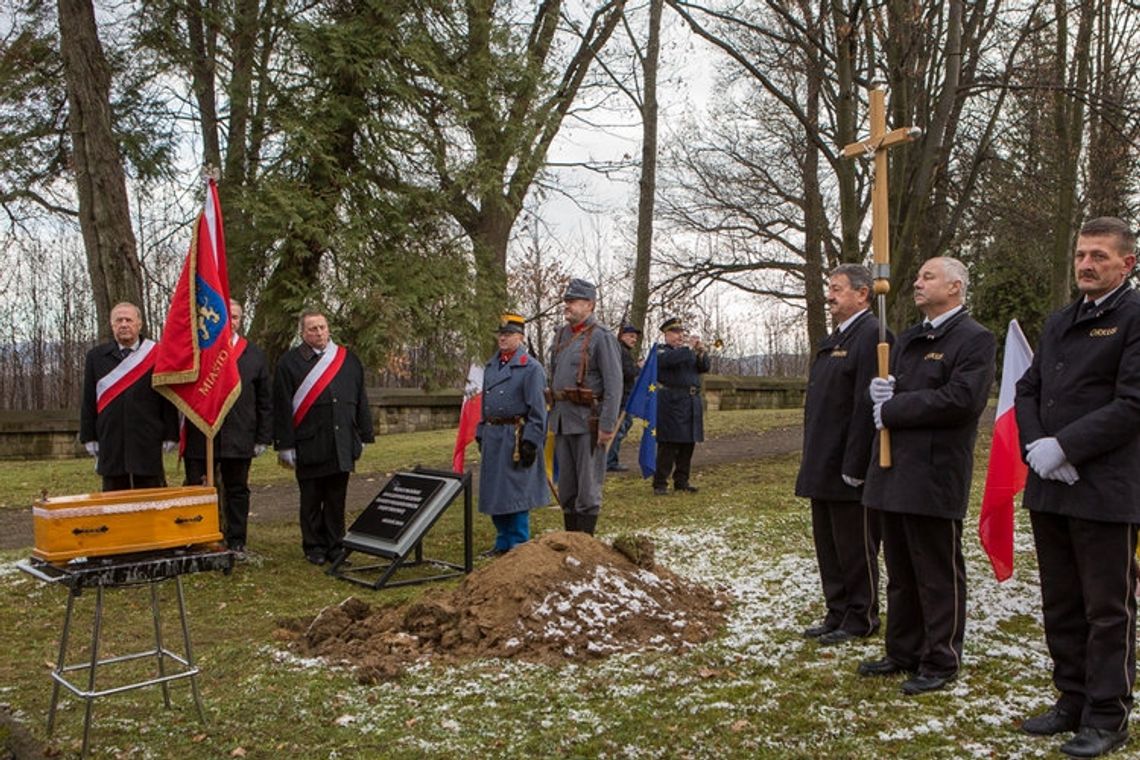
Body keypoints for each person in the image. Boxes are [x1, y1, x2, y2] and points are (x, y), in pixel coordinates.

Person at [1014, 217, 1140, 758]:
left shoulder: (1134, 317)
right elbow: (1027, 389)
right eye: (1081, 255)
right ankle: (1072, 697)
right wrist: (1039, 447)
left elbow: (1132, 402)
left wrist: (1066, 446)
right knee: (1060, 600)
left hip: (1105, 487)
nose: (1086, 264)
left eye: (1099, 256)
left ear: (1127, 264)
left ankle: (1108, 714)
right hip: (1051, 485)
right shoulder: (1061, 319)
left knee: (1106, 607)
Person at [858, 256, 995, 695]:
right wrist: (878, 391)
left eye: (927, 277)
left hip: (935, 471)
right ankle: (902, 649)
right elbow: (889, 389)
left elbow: (961, 399)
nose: (916, 283)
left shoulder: (973, 339)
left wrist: (895, 406)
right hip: (893, 467)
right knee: (898, 566)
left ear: (955, 287)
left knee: (935, 570)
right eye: (917, 276)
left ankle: (940, 657)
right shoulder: (911, 338)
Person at [795, 264, 885, 646]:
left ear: (862, 294)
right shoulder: (833, 339)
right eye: (829, 288)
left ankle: (861, 615)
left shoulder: (873, 337)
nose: (829, 296)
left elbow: (866, 407)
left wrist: (856, 463)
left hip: (850, 465)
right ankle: (837, 610)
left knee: (855, 545)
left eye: (837, 289)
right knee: (828, 544)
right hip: (822, 459)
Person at [273, 309, 374, 566]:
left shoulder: (348, 360)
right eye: (312, 329)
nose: (319, 333)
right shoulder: (289, 363)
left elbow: (360, 398)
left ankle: (336, 545)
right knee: (311, 498)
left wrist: (363, 434)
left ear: (329, 328)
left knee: (336, 498)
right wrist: (284, 445)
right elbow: (282, 407)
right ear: (302, 333)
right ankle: (314, 546)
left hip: (341, 441)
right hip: (308, 441)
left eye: (322, 327)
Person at [183, 300, 272, 554]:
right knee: (197, 489)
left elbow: (265, 400)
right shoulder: (198, 351)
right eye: (226, 317)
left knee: (237, 491)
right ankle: (200, 538)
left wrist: (262, 438)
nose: (231, 321)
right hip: (202, 434)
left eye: (235, 317)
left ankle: (236, 540)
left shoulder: (253, 354)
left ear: (240, 320)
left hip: (239, 435)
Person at [548, 278, 622, 535]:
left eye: (573, 301)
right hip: (562, 418)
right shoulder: (560, 335)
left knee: (588, 487)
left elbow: (614, 385)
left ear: (589, 304)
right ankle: (571, 540)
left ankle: (585, 545)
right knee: (567, 485)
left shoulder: (602, 337)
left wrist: (607, 424)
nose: (567, 305)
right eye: (566, 301)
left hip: (588, 421)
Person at [80, 302, 179, 491]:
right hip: (111, 438)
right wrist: (89, 436)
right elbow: (88, 399)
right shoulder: (96, 357)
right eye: (119, 320)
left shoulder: (157, 354)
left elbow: (167, 397)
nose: (124, 324)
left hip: (147, 437)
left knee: (150, 497)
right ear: (112, 325)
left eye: (129, 320)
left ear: (139, 324)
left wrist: (171, 433)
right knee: (114, 500)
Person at [475, 312, 549, 556]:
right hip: (493, 434)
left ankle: (518, 545)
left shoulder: (531, 368)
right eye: (501, 334)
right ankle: (503, 541)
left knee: (515, 492)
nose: (502, 339)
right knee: (496, 491)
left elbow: (538, 410)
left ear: (520, 337)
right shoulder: (491, 365)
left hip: (515, 437)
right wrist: (480, 431)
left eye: (508, 334)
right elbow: (482, 402)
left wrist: (531, 441)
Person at [652, 317, 711, 496]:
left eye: (681, 332)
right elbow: (670, 360)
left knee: (688, 444)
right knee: (669, 444)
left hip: (690, 402)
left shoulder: (687, 353)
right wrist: (689, 349)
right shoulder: (661, 351)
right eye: (676, 333)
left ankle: (682, 480)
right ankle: (660, 482)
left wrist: (701, 353)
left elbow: (703, 367)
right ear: (666, 334)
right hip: (672, 402)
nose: (680, 336)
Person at [606, 324, 642, 472]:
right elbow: (628, 372)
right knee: (619, 429)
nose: (634, 340)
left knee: (623, 427)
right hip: (621, 398)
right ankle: (610, 461)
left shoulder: (621, 351)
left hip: (623, 397)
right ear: (622, 336)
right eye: (631, 336)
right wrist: (639, 367)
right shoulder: (621, 352)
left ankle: (610, 459)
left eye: (635, 337)